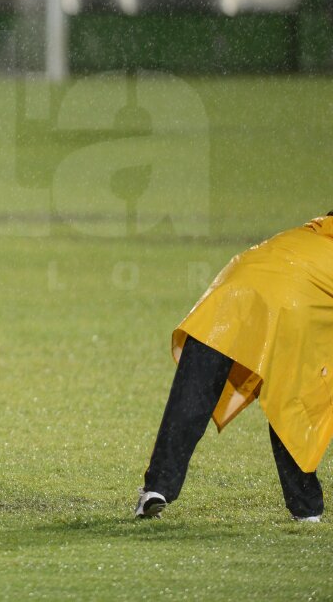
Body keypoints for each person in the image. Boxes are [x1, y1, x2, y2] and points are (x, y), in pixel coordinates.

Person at [135, 214, 333, 522]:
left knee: (194, 393)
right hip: (291, 304)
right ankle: (305, 508)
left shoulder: (307, 234)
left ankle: (156, 489)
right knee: (293, 399)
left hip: (233, 288)